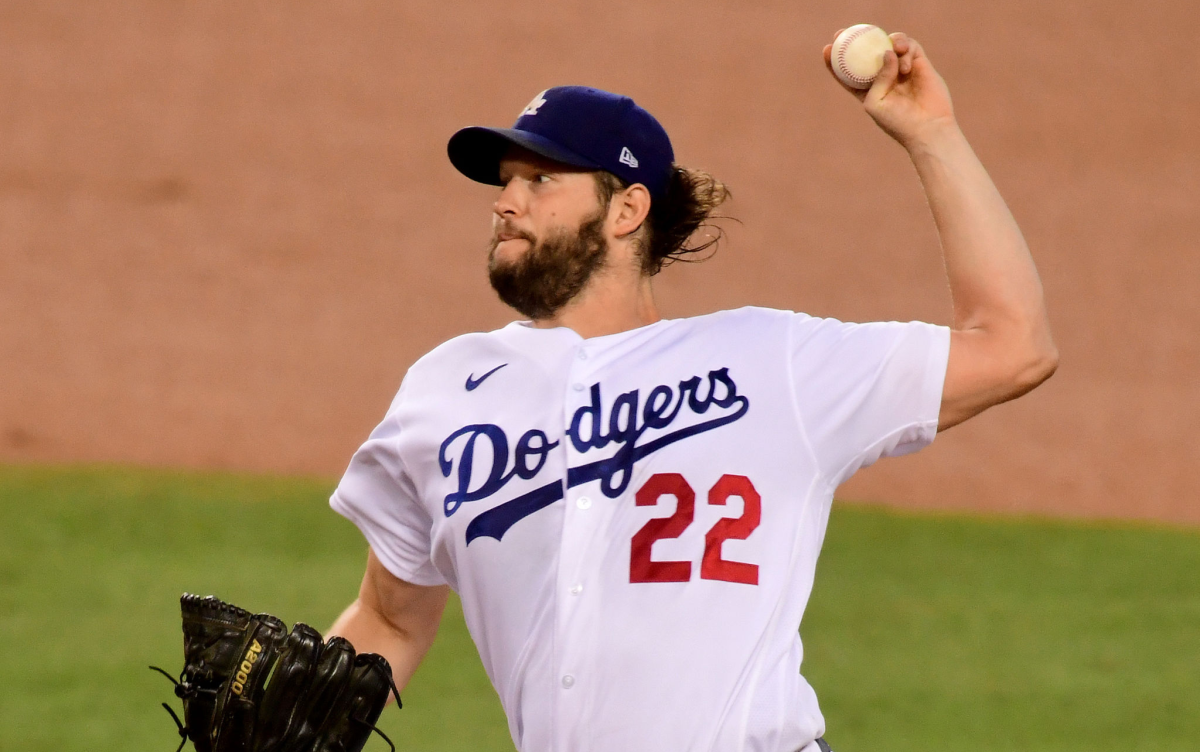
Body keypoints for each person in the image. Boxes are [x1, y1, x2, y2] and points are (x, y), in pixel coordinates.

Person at [326, 33, 1057, 752]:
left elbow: (1012, 345)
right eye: (504, 182)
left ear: (626, 210)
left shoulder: (773, 363)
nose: (506, 203)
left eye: (541, 180)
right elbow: (390, 621)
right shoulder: (446, 390)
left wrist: (933, 135)